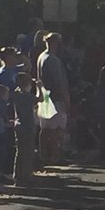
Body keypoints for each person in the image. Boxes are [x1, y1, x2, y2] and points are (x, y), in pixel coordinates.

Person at [36, 33, 71, 165]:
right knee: (57, 129)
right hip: (55, 98)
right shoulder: (53, 60)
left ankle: (43, 154)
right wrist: (66, 98)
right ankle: (55, 155)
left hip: (44, 96)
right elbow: (59, 82)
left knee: (45, 129)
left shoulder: (41, 57)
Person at [11, 72, 39, 186]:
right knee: (28, 152)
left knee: (20, 152)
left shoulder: (16, 95)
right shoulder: (28, 96)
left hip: (18, 125)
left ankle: (18, 175)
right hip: (27, 126)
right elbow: (41, 99)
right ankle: (26, 175)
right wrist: (40, 87)